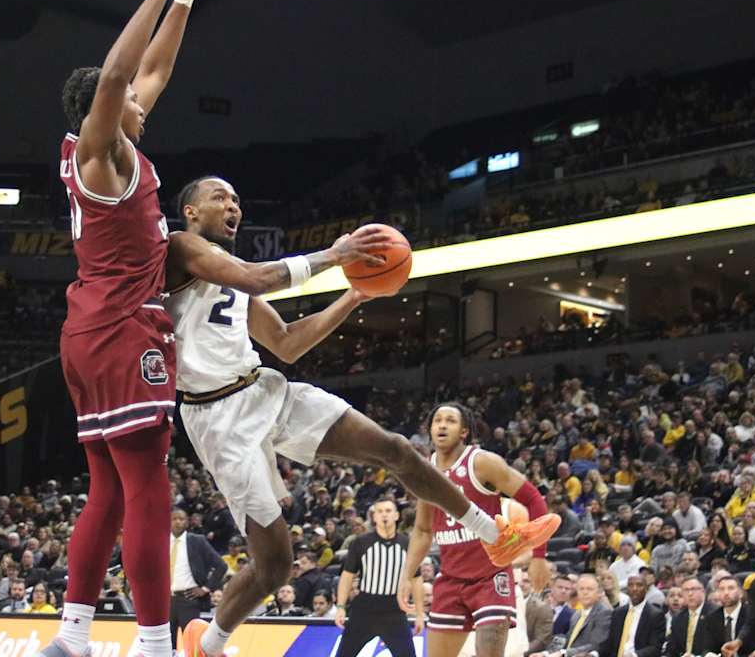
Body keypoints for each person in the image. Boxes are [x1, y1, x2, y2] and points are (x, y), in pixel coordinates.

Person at [165, 181, 557, 657]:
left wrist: (352, 295)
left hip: (261, 389)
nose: (232, 205)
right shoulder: (181, 245)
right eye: (220, 197)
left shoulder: (233, 277)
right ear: (190, 210)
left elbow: (287, 342)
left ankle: (494, 533)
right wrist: (336, 254)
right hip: (217, 418)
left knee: (394, 448)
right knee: (275, 566)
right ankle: (208, 643)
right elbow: (259, 278)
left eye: (237, 200)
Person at [40, 0, 228, 657]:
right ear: (103, 109)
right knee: (150, 491)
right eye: (126, 101)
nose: (145, 102)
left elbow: (151, 69)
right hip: (122, 333)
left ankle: (73, 635)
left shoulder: (119, 145)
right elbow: (123, 73)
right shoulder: (101, 157)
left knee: (107, 493)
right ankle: (153, 642)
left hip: (89, 334)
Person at [400, 402, 559, 657]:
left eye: (450, 420)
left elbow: (534, 500)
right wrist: (407, 575)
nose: (442, 424)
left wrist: (539, 556)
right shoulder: (425, 471)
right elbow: (422, 531)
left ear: (464, 432)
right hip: (450, 578)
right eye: (437, 420)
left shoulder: (482, 462)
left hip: (490, 579)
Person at [334, 498, 423, 657]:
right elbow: (347, 576)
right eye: (380, 511)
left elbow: (416, 579)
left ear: (396, 515)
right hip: (364, 608)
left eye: (388, 511)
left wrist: (420, 614)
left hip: (394, 610)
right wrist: (340, 606)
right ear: (374, 517)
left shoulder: (407, 544)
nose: (384, 515)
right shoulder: (360, 543)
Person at [169, 508, 227, 649]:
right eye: (174, 519)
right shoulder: (161, 541)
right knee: (165, 646)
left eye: (181, 519)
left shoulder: (197, 541)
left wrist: (205, 588)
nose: (177, 522)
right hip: (165, 601)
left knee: (191, 645)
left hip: (188, 599)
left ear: (187, 522)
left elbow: (221, 565)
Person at [529, 574, 612, 657]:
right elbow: (566, 640)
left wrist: (564, 653)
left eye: (589, 589)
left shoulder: (604, 613)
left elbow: (595, 645)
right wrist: (545, 654)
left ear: (598, 593)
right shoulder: (577, 614)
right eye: (581, 589)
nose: (585, 592)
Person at [600, 574, 666, 657]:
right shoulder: (618, 613)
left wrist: (634, 655)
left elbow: (655, 647)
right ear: (627, 589)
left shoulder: (655, 615)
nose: (634, 589)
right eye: (631, 585)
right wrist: (594, 654)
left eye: (639, 585)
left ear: (646, 588)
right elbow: (609, 642)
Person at [664, 576, 724, 657]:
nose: (690, 594)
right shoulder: (677, 618)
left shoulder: (716, 613)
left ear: (703, 591)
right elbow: (671, 649)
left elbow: (718, 647)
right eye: (686, 590)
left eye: (693, 589)